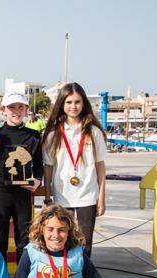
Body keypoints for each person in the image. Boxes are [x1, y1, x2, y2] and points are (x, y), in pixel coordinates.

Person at [42, 82, 107, 257]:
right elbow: (48, 167)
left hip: (88, 194)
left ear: (83, 103)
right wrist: (48, 196)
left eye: (77, 102)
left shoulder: (94, 132)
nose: (73, 106)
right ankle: (65, 276)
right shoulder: (52, 135)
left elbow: (100, 166)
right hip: (62, 195)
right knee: (64, 239)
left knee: (86, 242)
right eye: (69, 102)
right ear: (62, 104)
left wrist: (101, 197)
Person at [0, 92, 43, 263]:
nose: (16, 111)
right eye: (12, 107)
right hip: (2, 191)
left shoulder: (34, 135)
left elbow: (38, 164)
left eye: (20, 107)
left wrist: (38, 179)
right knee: (0, 236)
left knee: (24, 238)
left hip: (23, 191)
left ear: (26, 110)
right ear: (3, 110)